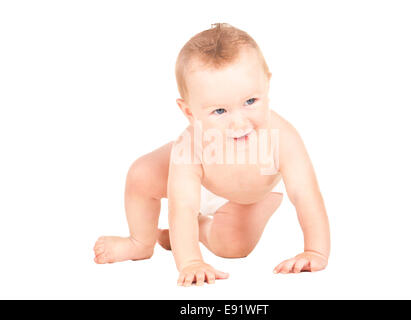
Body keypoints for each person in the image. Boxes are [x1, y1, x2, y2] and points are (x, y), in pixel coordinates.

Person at [93, 23, 330, 286]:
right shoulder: (189, 145)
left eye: (251, 102)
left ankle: (198, 230)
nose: (239, 123)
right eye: (219, 111)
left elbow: (306, 194)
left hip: (244, 198)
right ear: (189, 112)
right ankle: (139, 242)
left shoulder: (281, 139)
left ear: (267, 85)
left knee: (233, 247)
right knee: (141, 174)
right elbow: (182, 206)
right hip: (194, 173)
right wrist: (191, 262)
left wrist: (315, 251)